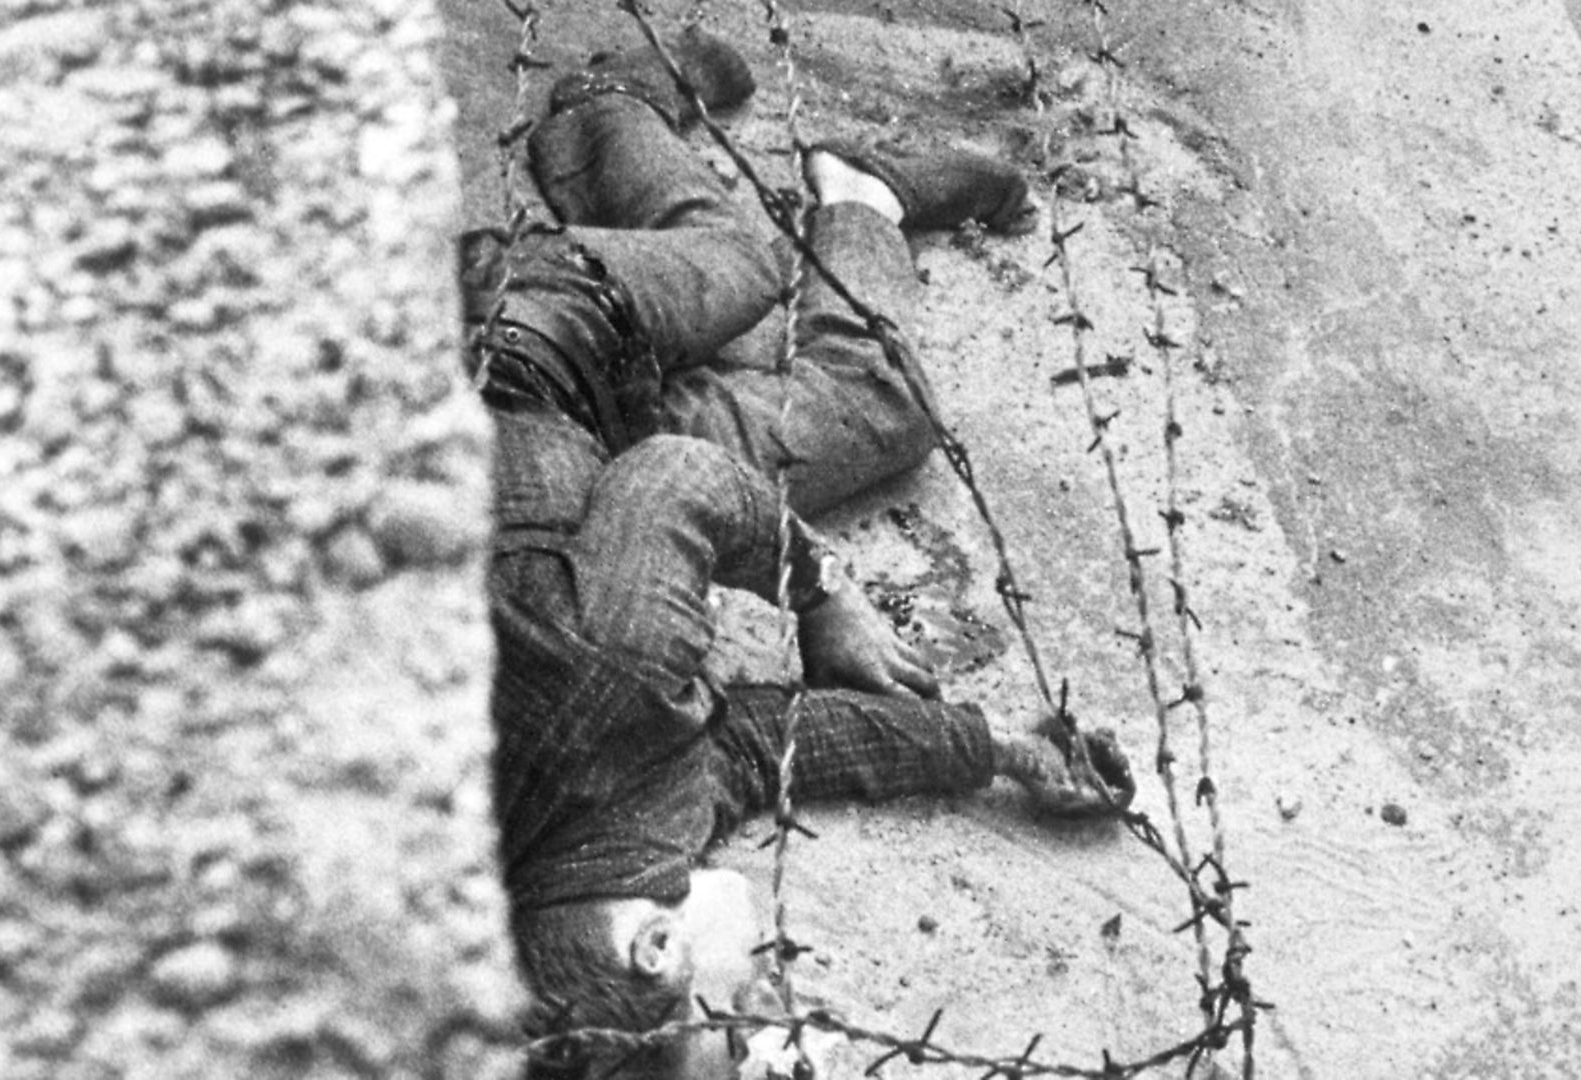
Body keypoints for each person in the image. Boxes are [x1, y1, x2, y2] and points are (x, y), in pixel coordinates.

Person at [463, 29, 1128, 1080]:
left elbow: (675, 480)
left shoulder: (612, 680)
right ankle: (863, 198)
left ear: (657, 949)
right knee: (879, 411)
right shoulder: (574, 864)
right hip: (578, 458)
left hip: (519, 337)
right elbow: (755, 749)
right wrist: (993, 747)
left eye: (744, 1006)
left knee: (741, 263)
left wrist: (819, 595)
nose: (776, 990)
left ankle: (603, 110)